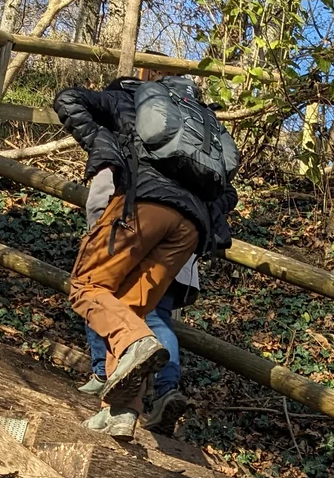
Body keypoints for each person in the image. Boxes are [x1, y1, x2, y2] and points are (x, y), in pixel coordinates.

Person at [55, 78, 235, 441]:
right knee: (127, 308)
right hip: (190, 230)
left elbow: (69, 99)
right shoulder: (205, 126)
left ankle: (136, 345)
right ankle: (120, 413)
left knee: (87, 286)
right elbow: (227, 192)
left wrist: (106, 145)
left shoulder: (129, 99)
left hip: (144, 204)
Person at [74, 159, 191, 433]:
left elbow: (99, 198)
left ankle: (105, 374)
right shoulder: (193, 162)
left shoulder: (134, 143)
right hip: (182, 251)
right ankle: (163, 391)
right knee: (155, 317)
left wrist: (97, 235)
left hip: (132, 235)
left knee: (101, 299)